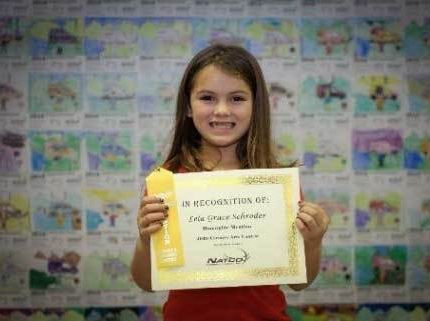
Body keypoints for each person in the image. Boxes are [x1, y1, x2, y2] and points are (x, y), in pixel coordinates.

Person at [130, 44, 330, 321]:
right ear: (188, 107)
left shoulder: (276, 184)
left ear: (255, 107)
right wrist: (144, 240)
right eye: (207, 98)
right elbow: (148, 283)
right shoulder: (166, 181)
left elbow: (298, 282)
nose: (222, 110)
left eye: (236, 98)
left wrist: (313, 241)